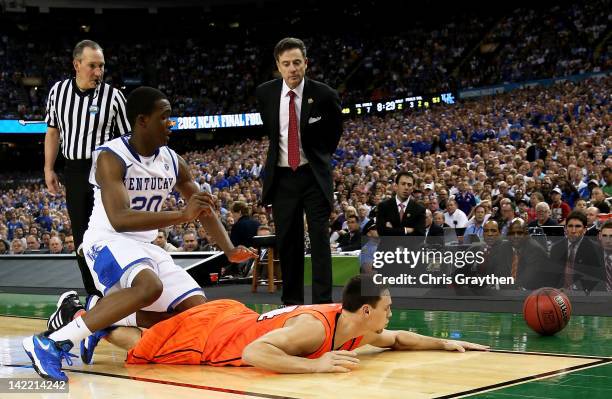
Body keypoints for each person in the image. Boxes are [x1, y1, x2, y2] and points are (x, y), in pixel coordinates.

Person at [23, 87, 255, 382]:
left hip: (145, 246)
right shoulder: (111, 157)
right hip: (106, 240)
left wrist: (230, 249)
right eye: (165, 117)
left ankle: (101, 318)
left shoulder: (173, 161)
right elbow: (120, 220)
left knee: (194, 313)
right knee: (149, 286)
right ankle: (51, 343)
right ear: (142, 120)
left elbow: (202, 209)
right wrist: (182, 215)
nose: (171, 123)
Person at [105, 275, 489, 372]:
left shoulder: (355, 327)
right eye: (387, 308)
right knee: (143, 345)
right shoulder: (318, 330)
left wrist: (445, 343)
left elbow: (399, 339)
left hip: (236, 318)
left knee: (152, 334)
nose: (392, 315)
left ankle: (99, 315)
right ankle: (92, 317)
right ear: (366, 311)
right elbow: (256, 353)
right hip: (220, 338)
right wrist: (314, 365)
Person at [256, 37, 343, 305]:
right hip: (283, 178)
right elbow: (272, 132)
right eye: (286, 64)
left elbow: (334, 134)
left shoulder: (325, 94)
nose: (292, 68)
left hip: (313, 176)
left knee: (319, 240)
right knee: (288, 242)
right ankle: (291, 304)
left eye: (296, 62)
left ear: (306, 63)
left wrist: (318, 157)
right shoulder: (265, 93)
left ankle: (322, 305)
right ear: (278, 67)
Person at [44, 40, 130, 298]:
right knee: (81, 236)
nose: (98, 71)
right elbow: (52, 131)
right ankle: (94, 293)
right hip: (75, 171)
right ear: (77, 65)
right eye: (92, 66)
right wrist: (49, 168)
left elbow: (128, 139)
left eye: (101, 66)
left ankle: (119, 291)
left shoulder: (114, 97)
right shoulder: (58, 92)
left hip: (105, 173)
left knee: (111, 231)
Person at [548, 211, 604, 293]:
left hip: (585, 295)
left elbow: (597, 279)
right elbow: (552, 276)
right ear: (565, 229)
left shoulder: (596, 249)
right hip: (559, 295)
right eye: (570, 226)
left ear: (584, 230)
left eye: (578, 226)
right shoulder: (556, 248)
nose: (573, 231)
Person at [376, 171, 425, 237]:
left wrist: (392, 230)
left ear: (412, 189)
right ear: (396, 186)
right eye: (403, 184)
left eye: (409, 185)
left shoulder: (419, 209)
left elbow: (419, 235)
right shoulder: (384, 206)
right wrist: (406, 230)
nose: (406, 187)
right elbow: (381, 232)